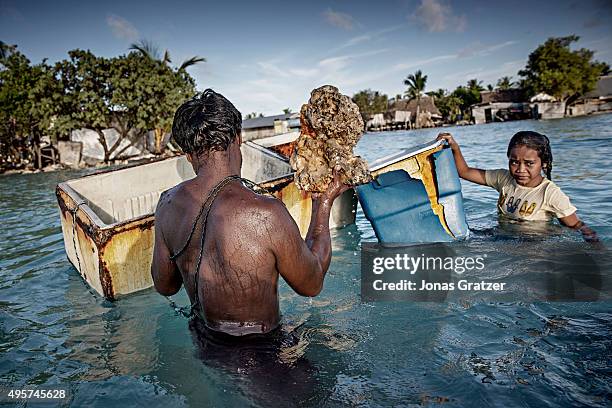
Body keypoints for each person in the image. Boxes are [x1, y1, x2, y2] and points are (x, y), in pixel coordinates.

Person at [151, 89, 350, 338]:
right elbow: (312, 283)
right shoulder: (266, 213)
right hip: (264, 358)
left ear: (188, 154)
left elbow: (165, 286)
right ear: (238, 137)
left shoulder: (167, 204)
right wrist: (324, 201)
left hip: (205, 345)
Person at [436, 131, 598, 242]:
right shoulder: (503, 178)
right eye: (514, 162)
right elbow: (464, 172)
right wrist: (455, 148)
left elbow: (576, 225)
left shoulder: (550, 193)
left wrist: (596, 248)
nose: (520, 169)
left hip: (533, 244)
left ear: (544, 164)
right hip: (502, 235)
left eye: (529, 164)